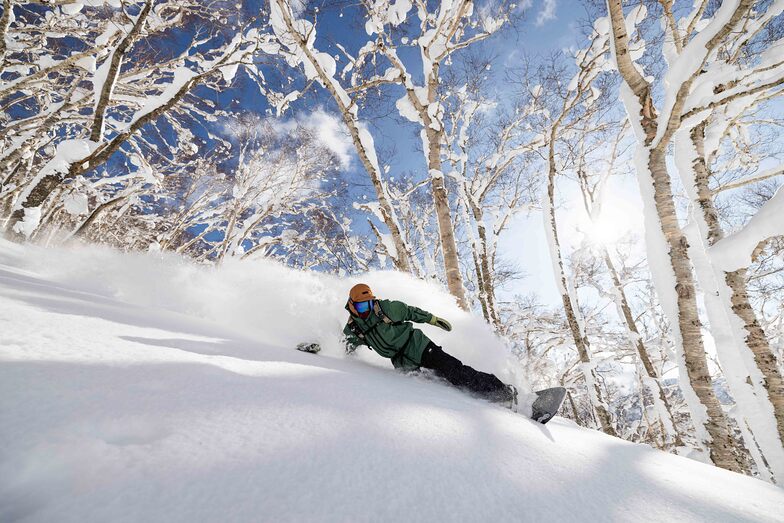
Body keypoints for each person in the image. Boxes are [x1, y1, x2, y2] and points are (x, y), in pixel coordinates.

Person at [343, 283, 517, 408]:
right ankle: (470, 405)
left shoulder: (385, 308)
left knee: (454, 371)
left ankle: (502, 391)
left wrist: (433, 319)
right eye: (361, 305)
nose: (366, 308)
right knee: (427, 389)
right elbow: (343, 345)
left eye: (369, 303)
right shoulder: (354, 327)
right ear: (352, 305)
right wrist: (320, 349)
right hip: (401, 362)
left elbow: (411, 311)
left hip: (419, 346)